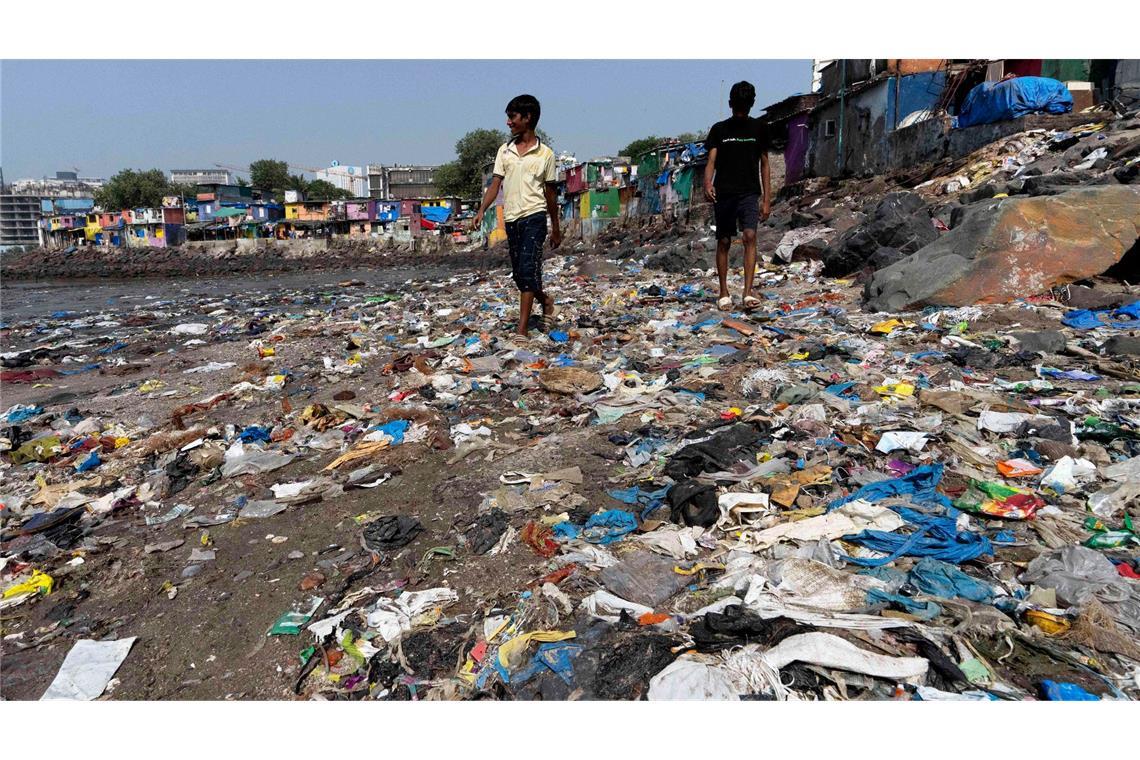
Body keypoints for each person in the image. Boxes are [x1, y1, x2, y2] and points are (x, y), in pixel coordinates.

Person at [471, 94, 562, 339]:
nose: (508, 122)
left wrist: (555, 227)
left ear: (527, 118)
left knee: (527, 267)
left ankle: (522, 329)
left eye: (512, 117)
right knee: (522, 274)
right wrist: (482, 210)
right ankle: (546, 300)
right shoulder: (505, 151)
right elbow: (495, 184)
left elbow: (551, 194)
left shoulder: (546, 155)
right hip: (511, 219)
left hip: (534, 216)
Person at [703, 80, 772, 312]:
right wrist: (707, 183)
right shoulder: (719, 130)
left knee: (750, 236)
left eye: (745, 105)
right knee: (723, 240)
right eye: (739, 104)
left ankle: (747, 292)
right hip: (724, 193)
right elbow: (711, 160)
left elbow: (765, 164)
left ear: (751, 105)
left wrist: (766, 199)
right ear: (731, 104)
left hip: (749, 192)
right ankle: (723, 292)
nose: (742, 109)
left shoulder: (759, 129)